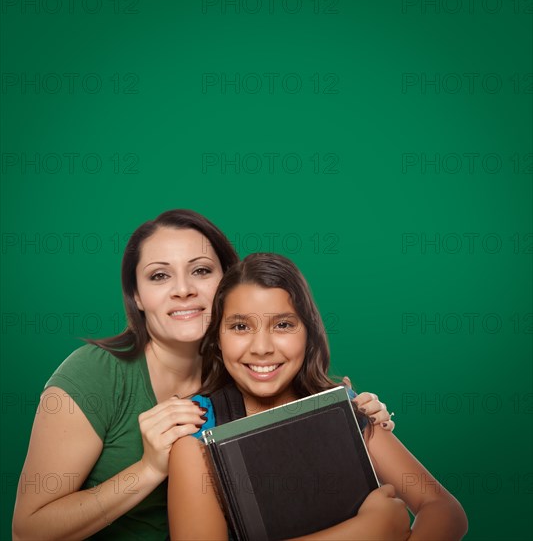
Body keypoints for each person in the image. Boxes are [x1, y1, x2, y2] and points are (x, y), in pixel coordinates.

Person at [12, 210, 394, 540]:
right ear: (137, 296)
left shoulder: (249, 370)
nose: (183, 290)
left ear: (228, 283)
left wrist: (354, 420)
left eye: (201, 270)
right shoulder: (94, 374)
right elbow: (29, 531)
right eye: (159, 276)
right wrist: (148, 469)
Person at [168, 253, 468, 541]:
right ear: (218, 339)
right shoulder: (196, 435)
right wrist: (365, 533)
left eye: (283, 324)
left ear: (308, 334)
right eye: (240, 326)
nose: (261, 348)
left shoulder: (343, 410)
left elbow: (444, 510)